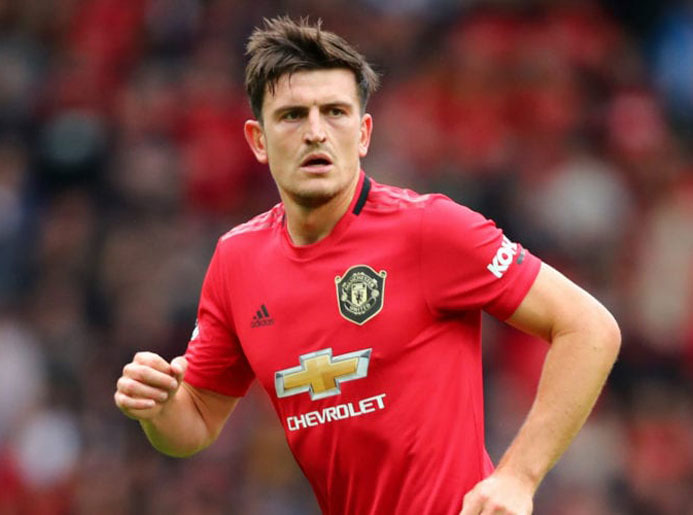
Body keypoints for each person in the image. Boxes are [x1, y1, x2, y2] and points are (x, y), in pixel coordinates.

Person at [114, 16, 621, 515]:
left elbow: (590, 328)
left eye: (335, 112)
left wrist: (518, 476)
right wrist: (159, 409)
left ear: (363, 133)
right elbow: (196, 423)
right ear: (258, 140)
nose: (315, 132)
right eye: (292, 115)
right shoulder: (236, 260)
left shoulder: (431, 229)